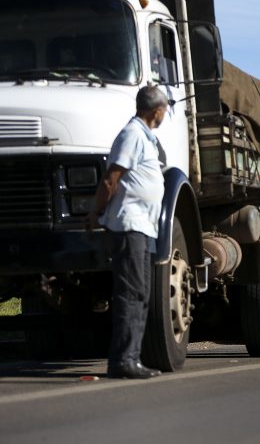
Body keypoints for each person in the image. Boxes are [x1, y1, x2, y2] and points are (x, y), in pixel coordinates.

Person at [86, 85, 168, 379]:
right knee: (131, 293)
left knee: (140, 293)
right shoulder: (132, 134)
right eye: (164, 109)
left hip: (142, 226)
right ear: (156, 110)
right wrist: (97, 213)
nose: (165, 114)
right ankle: (123, 361)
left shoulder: (145, 137)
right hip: (128, 224)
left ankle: (131, 357)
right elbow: (111, 179)